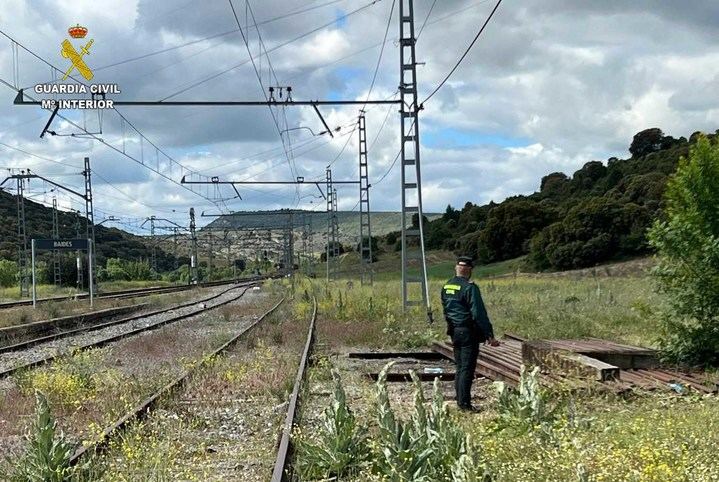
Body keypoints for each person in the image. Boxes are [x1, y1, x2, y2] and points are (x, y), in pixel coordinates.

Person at [441, 256, 499, 412]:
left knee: (460, 367)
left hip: (454, 331)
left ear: (456, 268)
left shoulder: (447, 286)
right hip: (468, 331)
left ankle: (460, 400)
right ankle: (464, 405)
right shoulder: (470, 287)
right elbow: (478, 313)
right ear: (469, 270)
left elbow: (446, 310)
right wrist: (489, 334)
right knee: (467, 368)